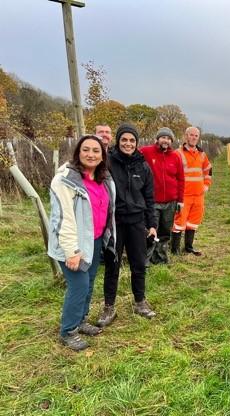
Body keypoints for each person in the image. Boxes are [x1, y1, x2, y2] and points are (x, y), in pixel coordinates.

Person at [48, 135, 116, 350]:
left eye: (96, 151)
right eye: (86, 150)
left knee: (89, 281)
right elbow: (63, 219)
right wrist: (71, 251)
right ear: (78, 152)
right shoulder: (65, 181)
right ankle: (68, 330)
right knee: (79, 285)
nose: (91, 154)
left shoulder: (103, 178)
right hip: (72, 245)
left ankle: (81, 320)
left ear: (102, 155)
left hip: (93, 240)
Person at [97, 123, 157, 327]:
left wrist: (152, 224)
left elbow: (149, 197)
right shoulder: (108, 163)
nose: (128, 143)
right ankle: (108, 307)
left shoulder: (143, 165)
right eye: (124, 140)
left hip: (137, 222)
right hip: (114, 222)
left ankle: (140, 301)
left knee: (139, 264)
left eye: (132, 140)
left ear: (137, 143)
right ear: (118, 141)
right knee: (112, 264)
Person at [140, 127, 184, 264]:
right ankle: (145, 260)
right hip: (153, 200)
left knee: (165, 231)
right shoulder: (146, 152)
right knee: (151, 230)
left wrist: (180, 200)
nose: (166, 140)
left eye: (169, 138)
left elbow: (181, 179)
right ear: (157, 139)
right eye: (163, 137)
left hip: (171, 201)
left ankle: (160, 257)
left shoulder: (175, 157)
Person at [170, 126, 212, 256]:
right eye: (191, 135)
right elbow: (172, 174)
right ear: (185, 136)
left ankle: (189, 247)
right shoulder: (178, 153)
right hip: (183, 195)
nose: (193, 138)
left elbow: (208, 169)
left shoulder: (202, 154)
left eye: (196, 136)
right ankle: (175, 249)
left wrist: (206, 184)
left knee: (193, 222)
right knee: (179, 222)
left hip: (198, 195)